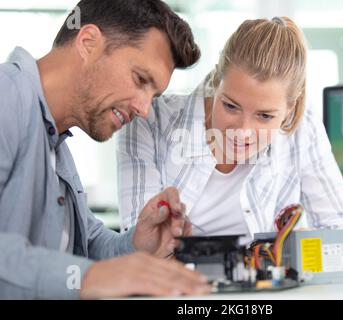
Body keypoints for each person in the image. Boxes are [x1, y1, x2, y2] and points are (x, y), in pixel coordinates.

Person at [0, 0, 211, 299]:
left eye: (154, 95)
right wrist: (90, 277)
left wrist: (137, 245)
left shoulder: (56, 146)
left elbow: (86, 247)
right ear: (88, 42)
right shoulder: (6, 99)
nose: (144, 109)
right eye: (140, 79)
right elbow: (82, 274)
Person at [118, 17, 343, 245]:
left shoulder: (301, 127)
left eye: (265, 116)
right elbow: (138, 244)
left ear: (289, 109)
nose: (243, 132)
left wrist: (300, 250)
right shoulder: (149, 120)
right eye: (230, 106)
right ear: (217, 81)